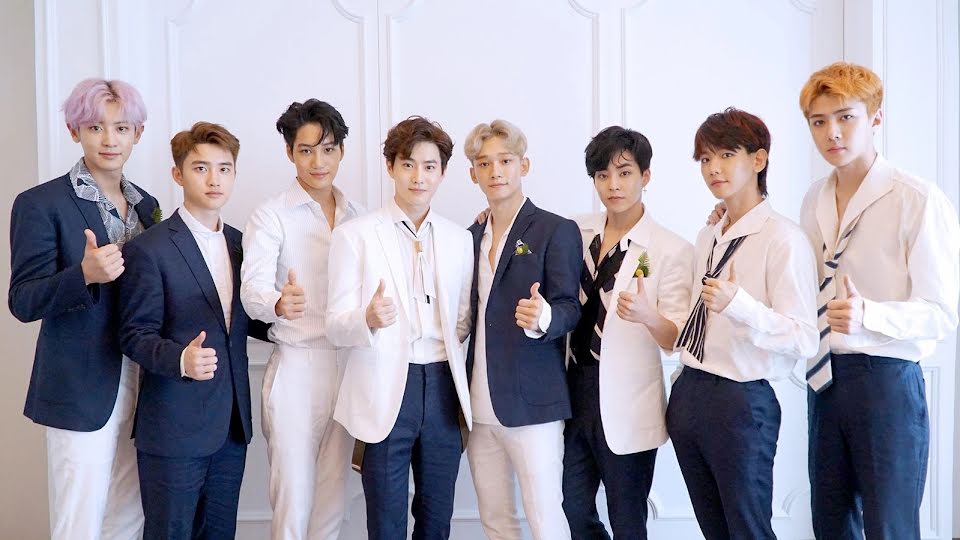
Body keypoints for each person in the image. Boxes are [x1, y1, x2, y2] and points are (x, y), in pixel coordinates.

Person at [8, 78, 159, 540]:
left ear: (138, 133)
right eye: (95, 127)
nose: (109, 139)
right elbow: (23, 300)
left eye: (121, 127)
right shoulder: (40, 204)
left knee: (129, 519)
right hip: (80, 388)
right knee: (79, 523)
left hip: (145, 383)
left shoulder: (148, 206)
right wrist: (84, 274)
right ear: (75, 131)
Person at [667, 107, 818, 540]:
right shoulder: (709, 235)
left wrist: (741, 306)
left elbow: (805, 338)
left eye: (726, 155)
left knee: (749, 531)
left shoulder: (783, 238)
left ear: (758, 159)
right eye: (705, 158)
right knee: (714, 531)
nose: (713, 168)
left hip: (742, 402)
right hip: (690, 392)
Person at [118, 121, 269, 539]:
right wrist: (180, 359)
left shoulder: (243, 244)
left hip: (232, 428)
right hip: (173, 429)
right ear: (178, 174)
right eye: (201, 168)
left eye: (224, 169)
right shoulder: (149, 248)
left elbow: (244, 319)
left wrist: (281, 309)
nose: (214, 179)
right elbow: (134, 333)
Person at [326, 116, 474, 538]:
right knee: (386, 520)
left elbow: (462, 319)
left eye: (429, 166)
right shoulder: (355, 235)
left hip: (444, 387)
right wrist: (367, 319)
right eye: (408, 164)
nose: (418, 177)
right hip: (385, 387)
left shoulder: (459, 238)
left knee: (436, 517)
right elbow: (334, 326)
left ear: (442, 172)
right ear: (390, 166)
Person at [563, 126, 693, 539]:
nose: (613, 185)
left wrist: (648, 315)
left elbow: (675, 338)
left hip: (628, 398)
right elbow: (526, 239)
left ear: (645, 176)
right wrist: (487, 216)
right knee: (571, 505)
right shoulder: (575, 232)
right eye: (603, 175)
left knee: (627, 517)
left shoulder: (670, 249)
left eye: (624, 173)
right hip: (573, 390)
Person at [240, 99, 362, 539]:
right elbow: (251, 291)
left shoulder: (359, 216)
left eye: (327, 150)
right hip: (297, 365)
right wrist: (278, 303)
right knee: (293, 502)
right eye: (306, 150)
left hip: (349, 366)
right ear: (290, 152)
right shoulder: (270, 215)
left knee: (333, 502)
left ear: (341, 151)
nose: (317, 161)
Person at [463, 119, 582, 540]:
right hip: (478, 407)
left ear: (523, 166)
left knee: (545, 521)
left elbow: (570, 307)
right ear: (473, 174)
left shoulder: (555, 229)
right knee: (495, 521)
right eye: (484, 163)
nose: (495, 171)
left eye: (505, 161)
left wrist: (544, 317)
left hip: (534, 406)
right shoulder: (469, 236)